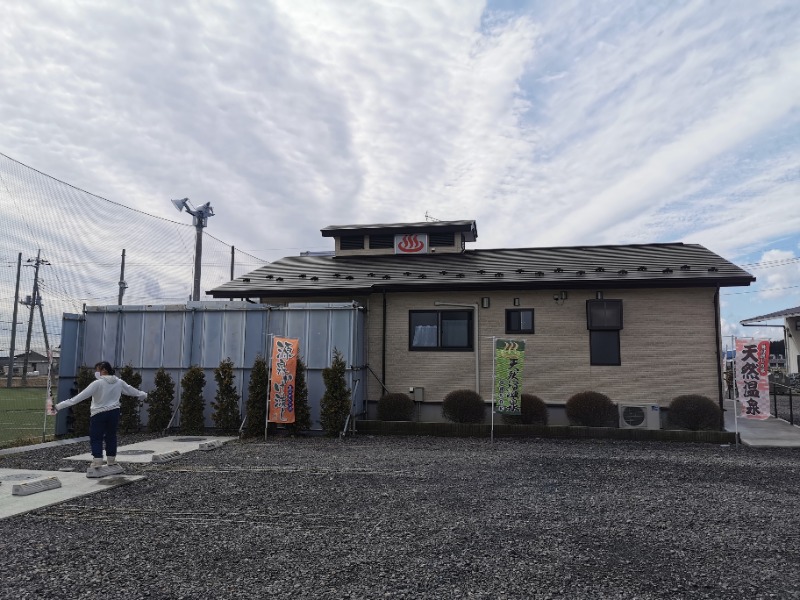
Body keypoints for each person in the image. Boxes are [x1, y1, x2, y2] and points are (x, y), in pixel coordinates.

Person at [54, 361, 147, 468]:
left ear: (104, 370)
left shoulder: (97, 383)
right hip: (114, 413)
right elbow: (131, 391)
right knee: (111, 436)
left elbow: (77, 398)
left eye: (97, 370)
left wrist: (58, 407)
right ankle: (111, 460)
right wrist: (144, 395)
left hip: (99, 414)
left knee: (96, 437)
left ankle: (97, 460)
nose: (96, 372)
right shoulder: (119, 382)